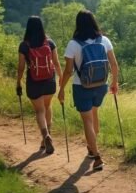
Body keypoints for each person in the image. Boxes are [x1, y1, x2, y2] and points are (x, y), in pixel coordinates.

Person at [58, 10, 119, 171]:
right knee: (94, 114)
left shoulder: (73, 44)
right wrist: (114, 82)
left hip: (82, 86)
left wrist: (61, 88)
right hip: (101, 85)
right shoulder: (104, 40)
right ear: (94, 22)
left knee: (87, 121)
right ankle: (92, 148)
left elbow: (68, 71)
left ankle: (97, 156)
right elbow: (114, 64)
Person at [16, 16, 61, 154]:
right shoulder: (50, 42)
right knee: (47, 107)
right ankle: (46, 138)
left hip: (34, 82)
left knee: (39, 111)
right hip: (49, 81)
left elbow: (21, 66)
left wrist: (18, 82)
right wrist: (61, 78)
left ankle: (45, 135)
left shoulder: (24, 45)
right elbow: (56, 62)